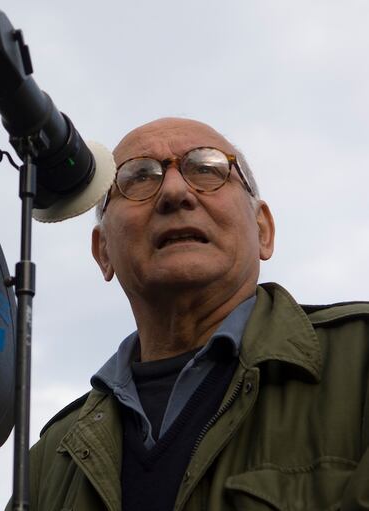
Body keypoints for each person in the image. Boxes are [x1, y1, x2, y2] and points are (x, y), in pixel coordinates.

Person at [23, 118, 369, 510]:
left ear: (263, 230)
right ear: (103, 252)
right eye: (137, 177)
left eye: (207, 169)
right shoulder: (49, 460)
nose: (174, 192)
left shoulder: (360, 360)